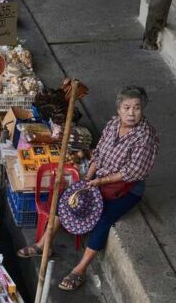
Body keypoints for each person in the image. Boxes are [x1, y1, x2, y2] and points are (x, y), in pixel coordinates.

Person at [19, 85, 159, 291]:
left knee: (103, 220)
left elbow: (132, 172)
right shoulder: (113, 125)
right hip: (100, 179)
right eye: (127, 107)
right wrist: (87, 179)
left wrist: (98, 183)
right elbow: (99, 153)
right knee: (66, 199)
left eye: (136, 108)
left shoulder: (145, 137)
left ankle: (80, 270)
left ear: (142, 109)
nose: (131, 113)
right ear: (119, 109)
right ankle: (43, 246)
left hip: (125, 189)